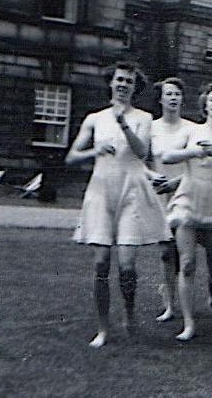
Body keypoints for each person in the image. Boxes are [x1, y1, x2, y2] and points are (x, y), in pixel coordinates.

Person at [67, 61, 171, 348]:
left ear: (135, 88)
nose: (124, 84)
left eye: (129, 81)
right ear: (111, 83)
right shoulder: (95, 118)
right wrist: (94, 150)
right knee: (101, 263)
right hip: (102, 192)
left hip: (132, 192)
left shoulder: (144, 118)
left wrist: (123, 123)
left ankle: (129, 316)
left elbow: (142, 152)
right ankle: (103, 328)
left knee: (126, 266)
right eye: (120, 80)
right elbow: (72, 156)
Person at [161, 83, 212, 341]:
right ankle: (188, 323)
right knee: (187, 264)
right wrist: (193, 151)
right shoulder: (191, 130)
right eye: (211, 99)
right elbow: (168, 156)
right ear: (205, 105)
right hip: (188, 202)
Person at [148, 77, 196, 323]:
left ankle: (205, 301)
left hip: (184, 192)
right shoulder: (151, 128)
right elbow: (141, 160)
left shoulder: (191, 129)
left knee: (185, 253)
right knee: (166, 252)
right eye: (169, 94)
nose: (173, 98)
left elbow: (197, 165)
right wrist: (151, 177)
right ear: (161, 99)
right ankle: (170, 303)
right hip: (159, 195)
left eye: (177, 94)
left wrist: (175, 183)